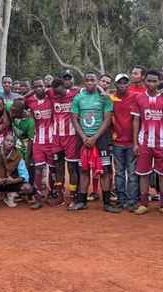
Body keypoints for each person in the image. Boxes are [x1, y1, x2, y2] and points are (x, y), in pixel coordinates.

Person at [131, 70, 163, 215]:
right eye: (149, 81)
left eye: (154, 81)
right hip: (144, 142)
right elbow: (136, 120)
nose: (151, 84)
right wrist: (135, 143)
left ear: (159, 82)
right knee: (143, 173)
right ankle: (143, 203)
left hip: (162, 142)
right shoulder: (139, 98)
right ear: (144, 81)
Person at [68, 72, 115, 212]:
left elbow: (107, 119)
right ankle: (81, 201)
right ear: (84, 82)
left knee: (105, 171)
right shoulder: (78, 98)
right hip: (83, 139)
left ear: (97, 82)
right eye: (87, 80)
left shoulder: (104, 98)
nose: (89, 82)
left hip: (101, 139)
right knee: (84, 170)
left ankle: (107, 203)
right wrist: (83, 137)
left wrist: (95, 137)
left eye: (92, 80)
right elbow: (74, 119)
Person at [25, 78, 57, 208]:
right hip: (38, 141)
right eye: (36, 86)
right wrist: (29, 92)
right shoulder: (30, 101)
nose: (39, 88)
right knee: (38, 169)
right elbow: (20, 101)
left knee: (52, 169)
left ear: (45, 87)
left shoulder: (51, 98)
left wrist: (48, 89)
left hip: (52, 141)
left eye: (41, 86)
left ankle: (52, 193)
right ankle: (38, 196)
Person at [110, 74, 139, 211]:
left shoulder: (135, 97)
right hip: (117, 142)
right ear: (115, 85)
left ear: (128, 84)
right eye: (119, 83)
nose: (122, 85)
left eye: (125, 83)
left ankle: (132, 200)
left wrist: (136, 141)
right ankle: (121, 199)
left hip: (132, 142)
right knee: (119, 172)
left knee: (132, 172)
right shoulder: (111, 98)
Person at [48, 78, 79, 205]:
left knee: (72, 168)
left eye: (59, 92)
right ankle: (59, 196)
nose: (57, 95)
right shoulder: (51, 93)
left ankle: (73, 197)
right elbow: (36, 91)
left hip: (71, 137)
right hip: (56, 138)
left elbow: (93, 88)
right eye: (55, 92)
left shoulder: (74, 93)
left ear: (64, 87)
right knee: (58, 167)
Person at [7, 98, 35, 207]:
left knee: (28, 169)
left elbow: (30, 142)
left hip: (27, 146)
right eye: (12, 109)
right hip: (17, 145)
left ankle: (30, 193)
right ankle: (18, 191)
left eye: (14, 111)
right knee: (15, 168)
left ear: (22, 111)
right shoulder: (10, 107)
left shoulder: (30, 122)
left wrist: (27, 158)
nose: (11, 112)